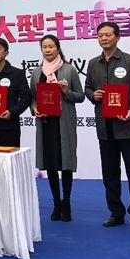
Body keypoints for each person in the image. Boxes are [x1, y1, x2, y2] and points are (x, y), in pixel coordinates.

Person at [85, 22, 130, 231]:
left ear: (117, 37)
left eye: (108, 35)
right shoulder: (93, 63)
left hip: (128, 126)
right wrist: (93, 95)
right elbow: (88, 88)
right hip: (105, 127)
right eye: (100, 35)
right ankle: (116, 212)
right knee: (110, 173)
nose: (103, 38)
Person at [30, 35, 85, 222]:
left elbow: (80, 96)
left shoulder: (69, 70)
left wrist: (66, 92)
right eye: (44, 47)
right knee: (51, 164)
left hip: (64, 122)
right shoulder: (37, 72)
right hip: (46, 123)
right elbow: (33, 98)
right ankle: (56, 204)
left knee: (65, 163)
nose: (47, 50)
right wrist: (35, 109)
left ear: (58, 48)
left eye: (51, 46)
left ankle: (66, 202)